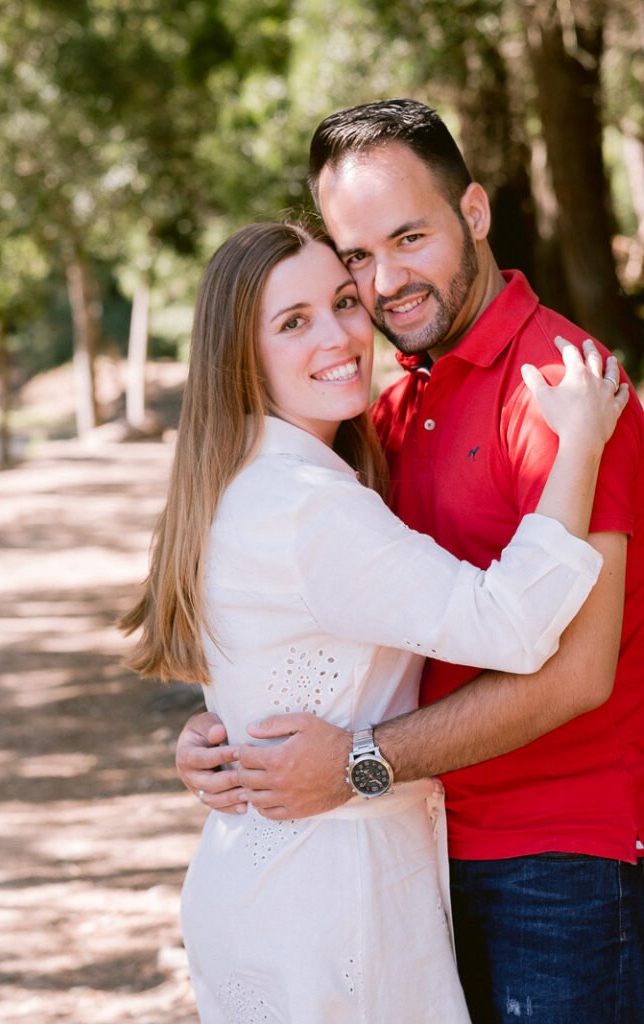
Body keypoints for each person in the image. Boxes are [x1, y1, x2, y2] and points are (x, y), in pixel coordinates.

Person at [176, 100, 644, 1023]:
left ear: (474, 212)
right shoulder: (386, 410)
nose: (385, 282)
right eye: (356, 257)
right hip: (419, 846)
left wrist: (357, 764)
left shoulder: (568, 391)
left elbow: (580, 676)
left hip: (558, 862)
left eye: (409, 236)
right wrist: (229, 738)